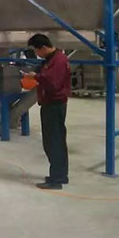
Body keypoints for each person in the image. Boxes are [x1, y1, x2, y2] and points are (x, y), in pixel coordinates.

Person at [22, 34, 70, 190]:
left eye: (37, 51)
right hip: (50, 104)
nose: (37, 54)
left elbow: (53, 83)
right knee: (52, 141)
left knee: (54, 142)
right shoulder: (51, 59)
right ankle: (59, 175)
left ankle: (57, 179)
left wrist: (37, 77)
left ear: (43, 48)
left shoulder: (59, 60)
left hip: (54, 105)